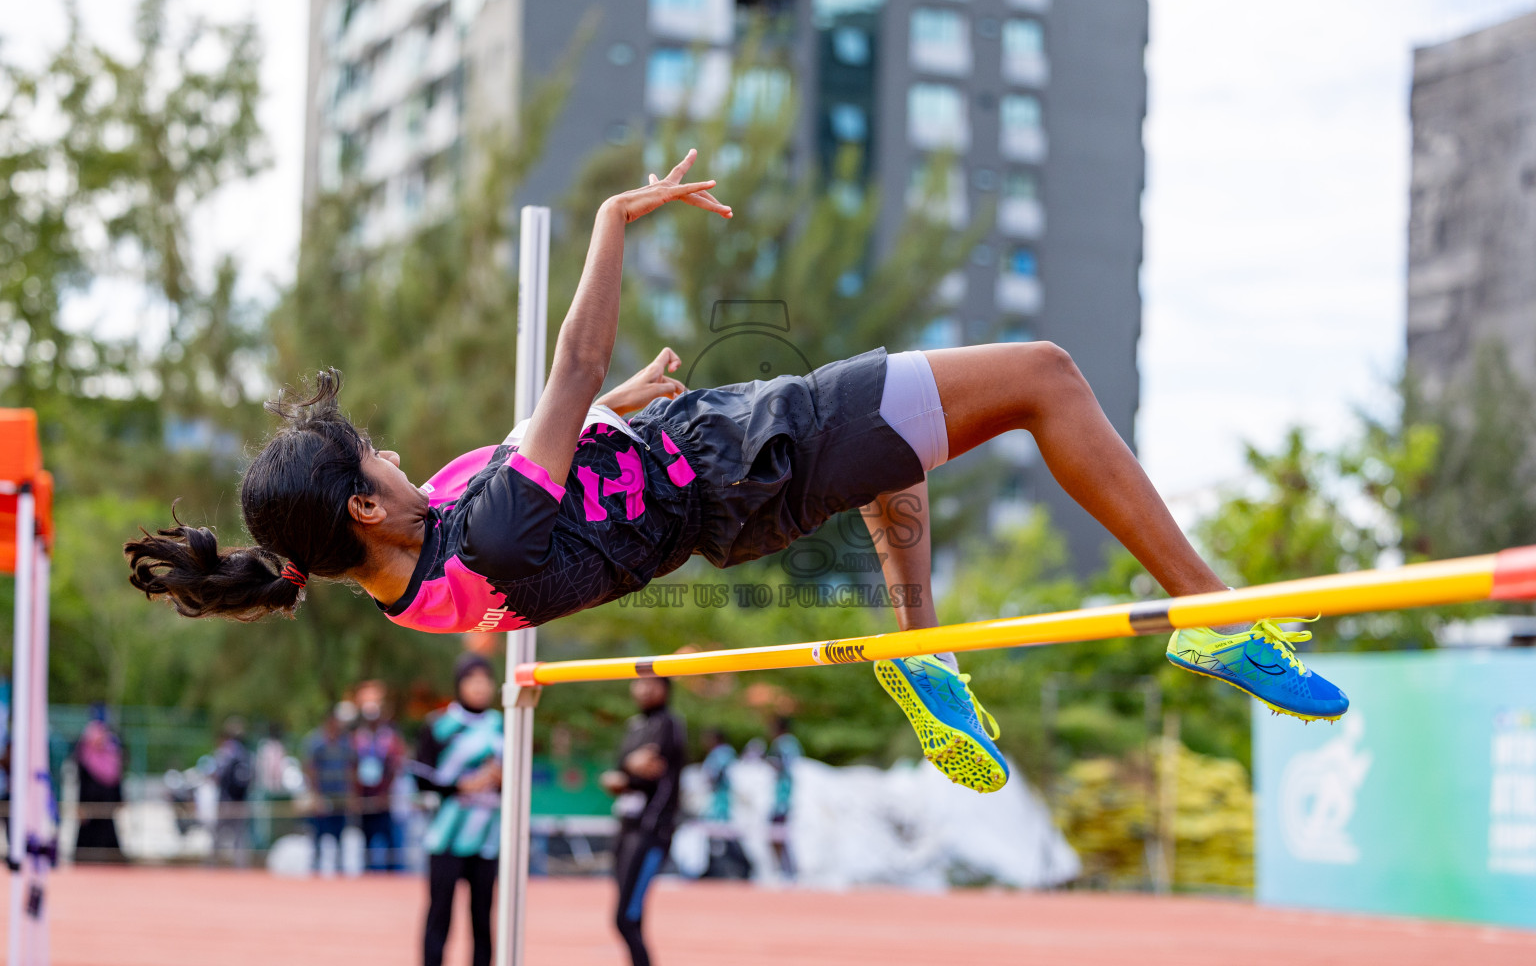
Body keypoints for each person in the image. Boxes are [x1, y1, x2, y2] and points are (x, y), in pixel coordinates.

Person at [124, 149, 1348, 798]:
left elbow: (549, 448)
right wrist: (614, 219)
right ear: (361, 504)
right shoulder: (479, 526)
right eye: (374, 456)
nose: (390, 451)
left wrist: (612, 411)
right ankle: (1206, 610)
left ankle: (924, 660)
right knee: (1045, 372)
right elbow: (566, 368)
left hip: (714, 475)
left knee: (898, 470)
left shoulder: (424, 571)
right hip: (736, 461)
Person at [410, 654, 503, 966]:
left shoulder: (504, 726)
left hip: (488, 837)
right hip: (445, 836)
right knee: (440, 912)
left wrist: (500, 779)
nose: (479, 687)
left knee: (482, 917)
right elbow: (422, 781)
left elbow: (517, 782)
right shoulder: (439, 726)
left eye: (485, 680)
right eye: (471, 680)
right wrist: (461, 787)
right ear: (459, 684)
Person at [600, 677, 685, 966]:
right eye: (640, 682)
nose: (645, 688)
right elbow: (625, 770)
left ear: (666, 687)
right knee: (630, 918)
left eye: (653, 683)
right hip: (627, 827)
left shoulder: (669, 724)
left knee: (626, 917)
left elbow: (649, 767)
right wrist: (625, 771)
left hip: (651, 831)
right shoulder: (635, 725)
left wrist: (628, 772)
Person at [351, 680, 405, 871]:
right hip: (365, 798)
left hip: (387, 800)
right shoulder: (357, 736)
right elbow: (352, 766)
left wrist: (387, 794)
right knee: (367, 844)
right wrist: (356, 796)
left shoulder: (390, 736)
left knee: (392, 843)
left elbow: (395, 766)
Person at [302, 706, 355, 875]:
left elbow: (351, 768)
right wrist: (316, 795)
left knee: (339, 835)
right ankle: (316, 868)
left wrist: (350, 793)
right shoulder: (315, 741)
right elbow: (310, 768)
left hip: (339, 796)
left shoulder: (345, 742)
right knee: (318, 835)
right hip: (322, 796)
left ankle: (339, 868)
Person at [72, 708, 125, 863]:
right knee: (87, 843)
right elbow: (81, 781)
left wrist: (120, 798)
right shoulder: (85, 753)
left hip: (107, 805)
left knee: (108, 842)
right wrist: (80, 805)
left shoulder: (112, 751)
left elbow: (117, 778)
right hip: (90, 806)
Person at [698, 727, 749, 880]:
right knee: (718, 836)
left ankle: (737, 867)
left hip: (721, 803)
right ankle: (716, 866)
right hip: (719, 802)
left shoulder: (721, 754)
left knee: (723, 834)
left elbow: (715, 775)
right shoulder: (727, 753)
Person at [210, 716, 254, 867]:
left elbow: (216, 773)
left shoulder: (226, 751)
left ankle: (212, 866)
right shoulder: (246, 753)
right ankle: (240, 868)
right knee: (240, 837)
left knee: (218, 836)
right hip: (241, 801)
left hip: (226, 800)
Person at [765, 717, 801, 880]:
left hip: (783, 799)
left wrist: (766, 761)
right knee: (782, 834)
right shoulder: (793, 744)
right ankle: (788, 870)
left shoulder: (782, 744)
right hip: (787, 797)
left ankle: (785, 870)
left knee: (777, 834)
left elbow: (783, 767)